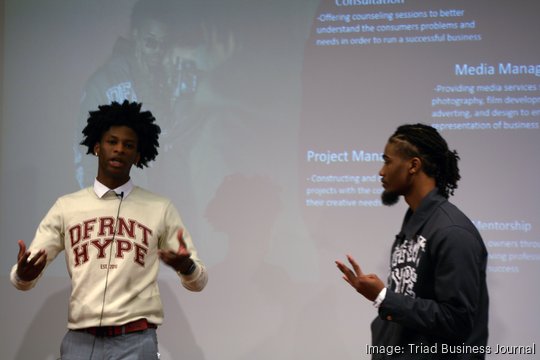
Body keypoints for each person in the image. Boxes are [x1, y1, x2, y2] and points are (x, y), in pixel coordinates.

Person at [11, 100, 208, 359]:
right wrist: (24, 274)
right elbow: (22, 279)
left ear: (138, 156)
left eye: (128, 145)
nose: (119, 150)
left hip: (136, 341)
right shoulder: (66, 207)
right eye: (111, 142)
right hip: (80, 341)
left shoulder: (160, 208)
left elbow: (199, 281)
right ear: (96, 147)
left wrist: (187, 267)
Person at [336, 123, 489, 359]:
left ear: (413, 166)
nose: (381, 171)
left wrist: (384, 297)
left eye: (387, 161)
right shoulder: (413, 225)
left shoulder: (453, 231)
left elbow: (458, 320)